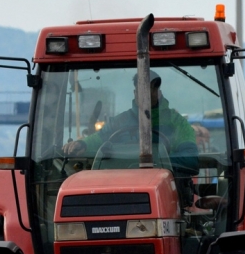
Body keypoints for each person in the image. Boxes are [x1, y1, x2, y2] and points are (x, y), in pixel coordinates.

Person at [62, 70, 199, 177]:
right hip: (118, 184)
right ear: (135, 92)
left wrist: (153, 161)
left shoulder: (177, 122)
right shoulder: (119, 121)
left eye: (151, 88)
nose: (146, 94)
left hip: (167, 185)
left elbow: (191, 161)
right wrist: (82, 144)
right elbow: (98, 139)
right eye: (142, 89)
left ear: (159, 92)